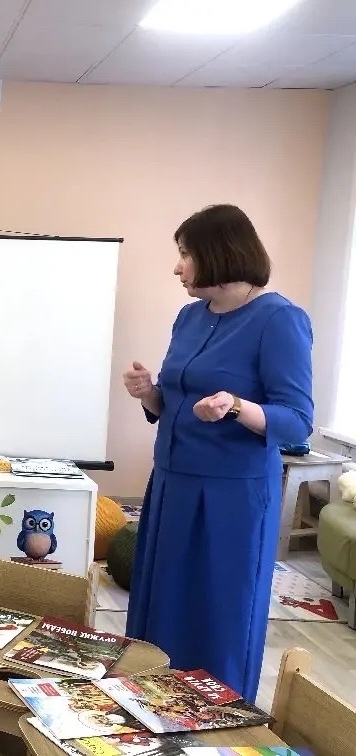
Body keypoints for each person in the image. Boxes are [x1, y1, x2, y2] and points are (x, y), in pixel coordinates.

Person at [123, 203, 313, 704]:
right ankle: (147, 705)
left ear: (218, 254)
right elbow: (174, 404)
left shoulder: (279, 319)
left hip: (231, 497)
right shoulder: (189, 317)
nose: (177, 267)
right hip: (171, 482)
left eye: (185, 254)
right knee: (160, 605)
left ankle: (212, 716)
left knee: (218, 612)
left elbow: (297, 420)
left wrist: (238, 406)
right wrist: (148, 393)